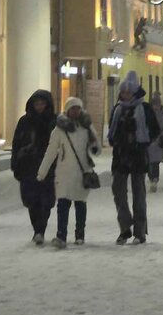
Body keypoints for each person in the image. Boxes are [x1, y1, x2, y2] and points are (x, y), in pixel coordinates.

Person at [36, 97, 100, 249]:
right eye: (72, 108)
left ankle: (79, 235)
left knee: (80, 204)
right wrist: (42, 172)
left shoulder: (86, 127)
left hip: (82, 171)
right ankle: (61, 236)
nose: (75, 111)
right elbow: (50, 152)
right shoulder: (59, 130)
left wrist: (95, 148)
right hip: (64, 173)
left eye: (78, 108)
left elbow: (95, 146)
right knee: (63, 205)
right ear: (67, 110)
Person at [108, 71, 162, 244]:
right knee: (118, 193)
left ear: (135, 92)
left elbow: (154, 129)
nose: (125, 95)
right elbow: (112, 131)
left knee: (139, 194)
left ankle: (139, 231)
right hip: (120, 157)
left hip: (138, 156)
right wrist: (116, 141)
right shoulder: (117, 110)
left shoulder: (144, 109)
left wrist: (142, 143)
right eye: (123, 92)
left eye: (128, 92)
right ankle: (125, 228)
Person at [11, 90, 58, 245]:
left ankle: (40, 229)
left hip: (48, 166)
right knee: (32, 200)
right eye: (37, 103)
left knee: (46, 200)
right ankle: (37, 229)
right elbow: (17, 143)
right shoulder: (25, 122)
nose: (39, 107)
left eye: (42, 103)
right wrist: (16, 163)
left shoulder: (53, 121)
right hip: (29, 166)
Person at [147, 92, 163, 193]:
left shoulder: (162, 116)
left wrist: (162, 137)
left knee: (155, 163)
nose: (156, 107)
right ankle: (151, 179)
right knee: (149, 162)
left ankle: (155, 179)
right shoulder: (148, 115)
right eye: (154, 104)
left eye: (157, 105)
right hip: (149, 142)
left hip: (158, 142)